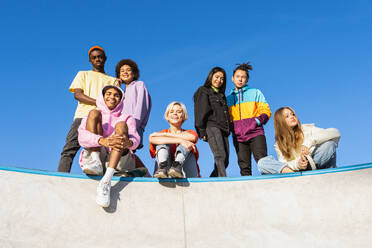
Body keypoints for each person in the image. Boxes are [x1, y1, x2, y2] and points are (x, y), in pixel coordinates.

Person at [57, 46, 119, 172]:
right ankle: (61, 177)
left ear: (105, 59)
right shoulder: (83, 74)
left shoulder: (113, 80)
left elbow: (116, 101)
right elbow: (78, 95)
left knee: (103, 149)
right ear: (90, 60)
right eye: (94, 57)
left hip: (104, 119)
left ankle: (100, 176)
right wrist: (99, 102)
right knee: (69, 148)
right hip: (82, 116)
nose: (97, 59)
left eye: (100, 57)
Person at [78, 85, 140, 207]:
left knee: (121, 125)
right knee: (94, 113)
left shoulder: (127, 117)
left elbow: (136, 138)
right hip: (97, 156)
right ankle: (95, 162)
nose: (112, 97)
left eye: (116, 95)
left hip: (118, 160)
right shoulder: (91, 115)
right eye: (109, 94)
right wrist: (102, 140)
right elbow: (82, 137)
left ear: (121, 100)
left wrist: (130, 143)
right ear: (102, 96)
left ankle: (106, 181)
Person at [258, 107, 340, 174]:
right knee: (262, 163)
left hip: (314, 163)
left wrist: (308, 143)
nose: (292, 117)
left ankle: (327, 174)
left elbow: (335, 132)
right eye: (287, 116)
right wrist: (298, 164)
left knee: (329, 145)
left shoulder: (307, 129)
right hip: (297, 170)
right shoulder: (279, 144)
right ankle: (293, 175)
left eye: (293, 114)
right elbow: (284, 163)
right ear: (281, 122)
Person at [226, 62, 271, 176]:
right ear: (232, 78)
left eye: (243, 77)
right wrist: (232, 128)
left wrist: (255, 122)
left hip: (256, 133)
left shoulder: (255, 92)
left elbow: (265, 111)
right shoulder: (228, 99)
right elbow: (226, 118)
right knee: (244, 167)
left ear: (247, 80)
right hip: (238, 137)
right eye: (238, 76)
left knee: (263, 162)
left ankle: (269, 187)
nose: (240, 79)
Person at [193, 67, 230, 177]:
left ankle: (212, 181)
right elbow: (200, 111)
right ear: (211, 77)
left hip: (223, 129)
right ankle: (223, 181)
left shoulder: (221, 96)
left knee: (225, 161)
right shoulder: (204, 91)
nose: (219, 80)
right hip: (212, 126)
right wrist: (202, 131)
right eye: (217, 77)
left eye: (222, 79)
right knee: (220, 156)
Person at [149, 102, 200, 178]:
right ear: (167, 116)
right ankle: (162, 168)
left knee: (186, 143)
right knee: (162, 143)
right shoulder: (162, 133)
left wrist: (166, 135)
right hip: (167, 170)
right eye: (171, 112)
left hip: (186, 171)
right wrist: (180, 140)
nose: (175, 114)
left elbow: (192, 137)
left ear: (183, 116)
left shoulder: (189, 132)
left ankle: (177, 166)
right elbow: (151, 139)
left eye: (179, 112)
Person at [115, 59, 151, 151]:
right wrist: (117, 88)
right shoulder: (121, 92)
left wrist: (134, 126)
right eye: (122, 71)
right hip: (121, 128)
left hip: (134, 126)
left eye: (128, 70)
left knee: (127, 152)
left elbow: (142, 107)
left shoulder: (139, 85)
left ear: (134, 73)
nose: (125, 72)